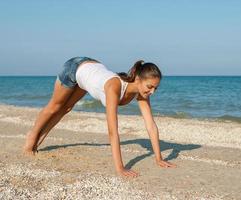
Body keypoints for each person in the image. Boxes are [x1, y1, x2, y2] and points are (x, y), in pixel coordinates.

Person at [23, 56, 176, 177]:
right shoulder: (114, 87)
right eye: (150, 87)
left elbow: (151, 126)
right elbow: (112, 131)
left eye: (156, 88)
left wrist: (159, 158)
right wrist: (120, 168)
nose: (152, 92)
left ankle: (39, 139)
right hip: (75, 68)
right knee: (56, 106)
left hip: (90, 70)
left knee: (67, 108)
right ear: (137, 79)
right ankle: (32, 138)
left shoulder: (142, 92)